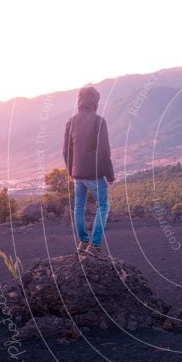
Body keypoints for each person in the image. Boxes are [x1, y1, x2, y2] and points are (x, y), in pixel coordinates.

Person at [63, 86, 115, 258]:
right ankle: (95, 245)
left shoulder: (71, 122)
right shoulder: (99, 121)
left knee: (79, 207)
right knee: (104, 206)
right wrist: (110, 175)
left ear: (80, 100)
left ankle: (83, 242)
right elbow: (104, 152)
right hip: (95, 174)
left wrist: (71, 171)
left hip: (77, 174)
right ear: (95, 101)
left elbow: (66, 151)